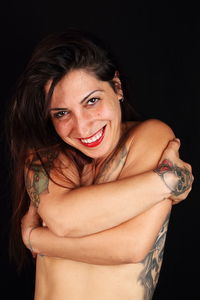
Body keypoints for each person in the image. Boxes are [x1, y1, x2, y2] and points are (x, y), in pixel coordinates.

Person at [8, 28, 193, 300]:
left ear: (117, 88)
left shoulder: (150, 136)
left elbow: (131, 246)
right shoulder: (45, 157)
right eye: (62, 113)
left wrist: (34, 239)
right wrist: (166, 181)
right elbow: (63, 219)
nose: (82, 127)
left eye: (92, 101)